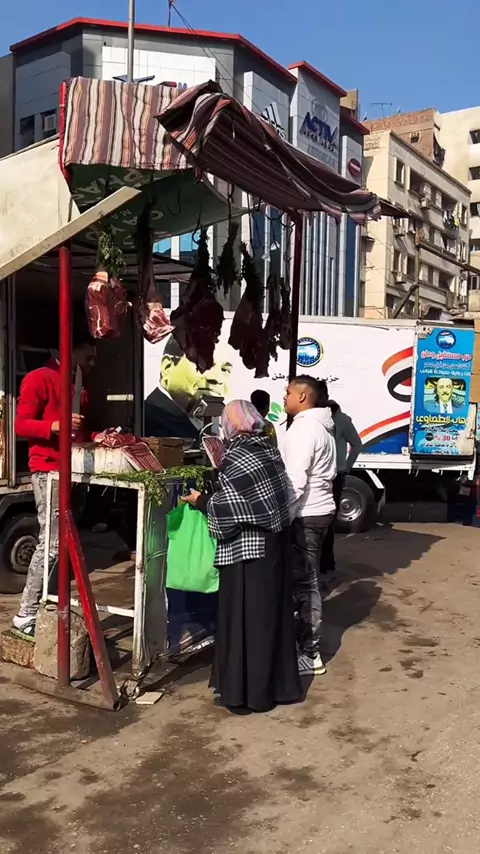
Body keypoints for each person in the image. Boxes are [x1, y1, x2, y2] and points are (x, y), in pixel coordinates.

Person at [182, 400, 301, 713]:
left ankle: (246, 694)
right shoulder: (268, 448)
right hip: (275, 545)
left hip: (249, 550)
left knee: (245, 620)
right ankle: (274, 688)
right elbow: (269, 498)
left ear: (230, 425)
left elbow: (229, 508)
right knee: (270, 620)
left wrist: (201, 500)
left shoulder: (238, 454)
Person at [12, 334, 97, 638]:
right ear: (71, 351)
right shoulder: (39, 378)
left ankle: (48, 605)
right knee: (50, 544)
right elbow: (20, 425)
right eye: (88, 357)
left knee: (64, 544)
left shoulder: (79, 386)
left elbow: (79, 431)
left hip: (73, 470)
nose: (92, 363)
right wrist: (54, 426)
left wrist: (96, 437)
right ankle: (25, 613)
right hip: (48, 470)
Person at [282, 375, 336, 677]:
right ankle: (304, 644)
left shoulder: (304, 429)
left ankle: (309, 653)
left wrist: (283, 519)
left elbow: (295, 482)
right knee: (306, 581)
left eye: (288, 392)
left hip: (306, 514)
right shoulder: (322, 426)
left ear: (303, 396)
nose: (284, 397)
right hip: (319, 511)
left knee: (306, 585)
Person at [145, 335, 233, 439]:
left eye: (225, 370)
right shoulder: (147, 424)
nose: (217, 379)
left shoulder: (214, 423)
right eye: (203, 364)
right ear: (167, 367)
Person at [320, 400, 363, 580]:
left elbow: (357, 444)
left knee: (328, 519)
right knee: (325, 518)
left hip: (335, 474)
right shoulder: (323, 421)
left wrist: (346, 466)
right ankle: (325, 561)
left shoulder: (343, 421)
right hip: (327, 473)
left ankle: (327, 561)